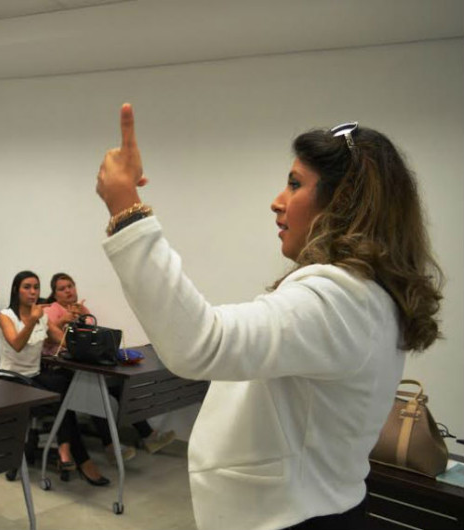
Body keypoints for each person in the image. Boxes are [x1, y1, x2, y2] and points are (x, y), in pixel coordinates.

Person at [95, 104, 443, 529]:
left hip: (293, 519)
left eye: (295, 184)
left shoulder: (341, 298)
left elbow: (201, 344)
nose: (277, 202)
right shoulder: (366, 296)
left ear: (342, 204)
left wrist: (126, 211)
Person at [44, 272, 176, 462]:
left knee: (120, 386)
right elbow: (48, 335)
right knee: (95, 389)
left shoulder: (82, 309)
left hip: (83, 363)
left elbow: (92, 338)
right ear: (55, 294)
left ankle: (148, 435)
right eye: (62, 289)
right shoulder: (52, 309)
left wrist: (81, 317)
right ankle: (110, 446)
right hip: (60, 365)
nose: (68, 291)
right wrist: (64, 319)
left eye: (70, 286)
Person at [0, 270, 109, 486]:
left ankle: (66, 449)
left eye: (36, 287)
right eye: (27, 287)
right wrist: (32, 321)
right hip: (11, 378)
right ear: (16, 290)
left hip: (34, 375)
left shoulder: (42, 316)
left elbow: (64, 341)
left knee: (66, 388)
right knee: (61, 395)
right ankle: (79, 458)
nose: (33, 292)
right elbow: (17, 345)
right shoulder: (5, 315)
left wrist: (93, 342)